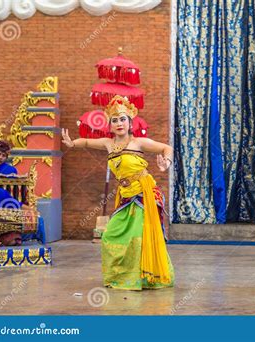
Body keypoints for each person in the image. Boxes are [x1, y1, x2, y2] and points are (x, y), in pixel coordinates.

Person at [62, 95, 174, 290]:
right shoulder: (108, 143)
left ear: (130, 123)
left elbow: (166, 148)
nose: (119, 123)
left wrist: (166, 164)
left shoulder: (139, 143)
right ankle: (120, 276)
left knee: (138, 238)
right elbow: (87, 143)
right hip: (125, 196)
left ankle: (142, 278)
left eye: (123, 119)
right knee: (110, 236)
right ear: (110, 125)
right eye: (114, 120)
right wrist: (73, 144)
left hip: (144, 194)